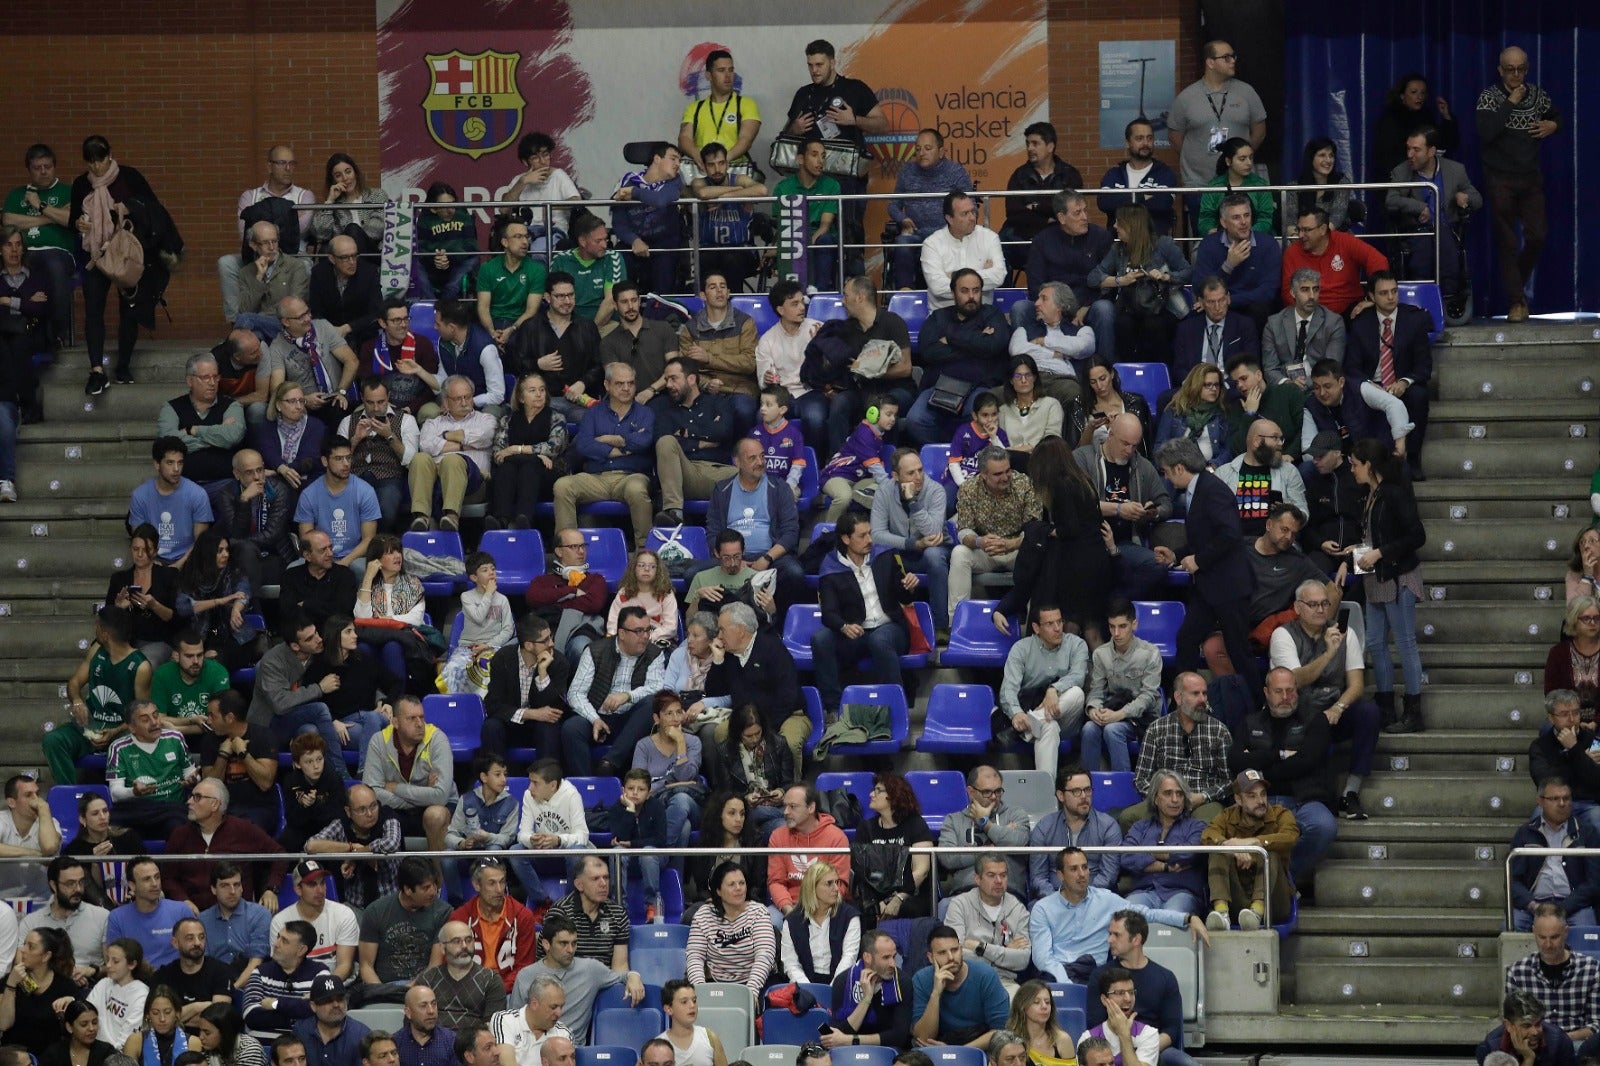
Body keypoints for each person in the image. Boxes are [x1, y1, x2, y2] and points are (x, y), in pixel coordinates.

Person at [1154, 438, 1261, 698]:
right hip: (1208, 586)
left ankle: (1260, 707)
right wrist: (1177, 555)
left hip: (1228, 586)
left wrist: (1198, 560)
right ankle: (1184, 701)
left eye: (1167, 472)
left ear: (1180, 468)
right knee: (1186, 640)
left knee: (1239, 651)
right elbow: (1204, 538)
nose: (1167, 478)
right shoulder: (1198, 489)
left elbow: (1229, 534)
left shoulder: (1213, 489)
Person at [71, 135, 179, 391]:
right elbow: (73, 219)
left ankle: (123, 365)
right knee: (94, 308)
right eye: (92, 162)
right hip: (95, 253)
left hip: (127, 251)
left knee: (129, 307)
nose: (97, 167)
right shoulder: (80, 184)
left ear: (110, 155)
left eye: (101, 159)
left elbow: (153, 209)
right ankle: (96, 368)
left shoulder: (129, 177)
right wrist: (79, 223)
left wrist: (129, 207)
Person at [1268, 579, 1380, 820]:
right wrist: (1329, 653)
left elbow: (1357, 684)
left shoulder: (1344, 633)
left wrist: (1339, 706)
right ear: (1298, 608)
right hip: (1298, 711)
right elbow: (1295, 680)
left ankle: (1350, 791)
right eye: (1313, 604)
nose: (1321, 610)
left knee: (1368, 711)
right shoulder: (1283, 635)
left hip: (1332, 710)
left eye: (1325, 604)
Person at [1228, 670, 1339, 889]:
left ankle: (1282, 881)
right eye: (1279, 691)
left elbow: (1308, 762)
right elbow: (1236, 761)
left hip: (1303, 798)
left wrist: (1259, 766)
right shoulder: (1249, 722)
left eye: (1290, 691)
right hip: (1258, 800)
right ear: (1266, 693)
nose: (1286, 697)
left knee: (1324, 826)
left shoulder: (1315, 720)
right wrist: (1278, 755)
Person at [1476, 46, 1562, 322]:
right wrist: (1510, 102)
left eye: (1521, 69)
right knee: (1507, 241)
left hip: (1530, 176)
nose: (1516, 74)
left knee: (1538, 236)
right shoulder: (1489, 97)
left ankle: (1515, 285)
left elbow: (1557, 115)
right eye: (1510, 69)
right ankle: (1516, 301)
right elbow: (1486, 133)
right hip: (1499, 177)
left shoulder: (1537, 95)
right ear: (1500, 70)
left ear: (1527, 69)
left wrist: (1553, 126)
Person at [998, 437, 1113, 639]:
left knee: (1070, 625)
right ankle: (1102, 671)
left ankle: (1068, 670)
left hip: (1077, 565)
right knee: (1091, 628)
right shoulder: (1083, 479)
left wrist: (1044, 530)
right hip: (1097, 559)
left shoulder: (1061, 485)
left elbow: (1069, 530)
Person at [1349, 439, 1427, 733]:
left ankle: (1413, 710)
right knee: (1376, 644)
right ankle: (1384, 707)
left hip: (1397, 575)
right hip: (1375, 577)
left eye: (1355, 465)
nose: (1352, 470)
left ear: (1369, 465)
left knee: (1405, 643)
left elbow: (1417, 536)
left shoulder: (1395, 493)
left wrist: (1380, 553)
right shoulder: (1368, 495)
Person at [553, 362, 655, 548]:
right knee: (563, 486)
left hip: (630, 476)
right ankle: (567, 549)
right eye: (620, 383)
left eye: (631, 383)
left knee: (636, 489)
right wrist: (624, 447)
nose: (626, 388)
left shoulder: (646, 413)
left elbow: (644, 442)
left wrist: (610, 439)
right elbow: (584, 445)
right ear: (607, 385)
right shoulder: (593, 413)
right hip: (596, 477)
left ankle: (646, 550)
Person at [559, 604, 667, 777]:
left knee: (652, 703)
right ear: (622, 633)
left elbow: (657, 687)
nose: (645, 636)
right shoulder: (596, 651)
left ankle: (609, 763)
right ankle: (585, 784)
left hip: (631, 720)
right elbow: (575, 693)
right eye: (638, 631)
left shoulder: (654, 653)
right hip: (598, 716)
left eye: (648, 630)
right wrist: (594, 719)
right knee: (572, 728)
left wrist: (627, 696)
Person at [49, 605, 150, 786]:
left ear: (104, 634)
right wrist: (78, 701)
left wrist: (115, 731)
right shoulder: (96, 651)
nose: (95, 630)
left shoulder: (140, 666)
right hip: (91, 726)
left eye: (97, 627)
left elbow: (143, 714)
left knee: (129, 743)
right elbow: (74, 683)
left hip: (121, 730)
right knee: (53, 740)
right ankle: (71, 793)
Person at [906, 269, 1011, 445]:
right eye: (964, 291)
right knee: (915, 419)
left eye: (976, 290)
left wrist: (951, 338)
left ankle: (962, 453)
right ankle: (946, 453)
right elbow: (929, 351)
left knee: (975, 416)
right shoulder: (938, 318)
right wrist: (977, 340)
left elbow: (993, 345)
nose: (971, 296)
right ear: (953, 292)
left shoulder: (992, 314)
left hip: (979, 386)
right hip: (939, 386)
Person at [1346, 272, 1434, 480]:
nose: (1391, 297)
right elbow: (1352, 367)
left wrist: (1404, 381)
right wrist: (1369, 385)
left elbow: (1424, 366)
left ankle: (1412, 459)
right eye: (1383, 293)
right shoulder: (1361, 323)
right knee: (1354, 394)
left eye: (1394, 291)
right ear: (1371, 296)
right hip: (1373, 385)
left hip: (1402, 382)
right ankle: (1367, 460)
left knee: (1419, 396)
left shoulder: (1414, 320)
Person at [507, 912, 643, 1045]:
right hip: (534, 1047)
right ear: (546, 944)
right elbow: (514, 1022)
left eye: (574, 943)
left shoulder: (590, 970)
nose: (570, 950)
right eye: (563, 943)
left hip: (572, 1051)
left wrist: (634, 976)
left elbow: (622, 976)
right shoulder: (526, 976)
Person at [705, 601, 810, 770]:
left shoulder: (772, 648)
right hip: (747, 720)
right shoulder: (730, 656)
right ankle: (740, 792)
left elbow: (787, 698)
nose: (719, 636)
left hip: (789, 716)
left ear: (740, 630)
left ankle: (791, 792)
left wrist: (762, 730)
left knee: (788, 742)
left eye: (722, 629)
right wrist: (718, 661)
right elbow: (713, 691)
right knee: (721, 733)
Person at [951, 446, 1042, 624]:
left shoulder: (1025, 484)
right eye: (998, 474)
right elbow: (964, 530)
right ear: (983, 474)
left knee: (1038, 553)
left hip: (1018, 549)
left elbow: (1035, 529)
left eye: (1007, 471)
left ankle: (1036, 624)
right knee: (959, 553)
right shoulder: (968, 489)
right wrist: (979, 541)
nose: (1005, 477)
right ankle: (957, 623)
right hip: (986, 549)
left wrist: (1013, 544)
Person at [1167, 40, 1266, 203]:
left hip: (1238, 183)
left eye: (1233, 56)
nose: (1233, 61)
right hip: (1199, 183)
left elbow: (1259, 132)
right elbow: (1175, 138)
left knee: (1239, 226)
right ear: (1210, 62)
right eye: (1226, 57)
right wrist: (1196, 158)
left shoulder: (1247, 93)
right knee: (1205, 228)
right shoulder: (1186, 97)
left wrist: (1240, 156)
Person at [1087, 205, 1189, 362]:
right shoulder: (1118, 249)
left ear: (1132, 226)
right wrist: (1121, 280)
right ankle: (1126, 373)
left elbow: (1187, 272)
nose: (1114, 227)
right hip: (1130, 306)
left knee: (1153, 325)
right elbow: (1093, 277)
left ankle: (1162, 372)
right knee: (1123, 324)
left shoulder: (1164, 245)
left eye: (1119, 223)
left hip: (1161, 306)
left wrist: (1165, 276)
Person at [1130, 674, 1233, 829]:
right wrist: (1161, 797)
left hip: (1202, 801)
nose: (1202, 700)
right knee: (1128, 818)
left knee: (1208, 824)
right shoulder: (1156, 729)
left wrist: (1204, 796)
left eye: (1204, 694)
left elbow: (1229, 781)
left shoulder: (1219, 731)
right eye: (1195, 694)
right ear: (1178, 697)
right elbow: (1141, 779)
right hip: (1163, 800)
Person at [998, 605, 1088, 781]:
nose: (1057, 628)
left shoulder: (1076, 644)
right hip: (1034, 716)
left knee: (1077, 693)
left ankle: (1026, 726)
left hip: (1067, 716)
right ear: (1036, 628)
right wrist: (1016, 713)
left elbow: (1078, 676)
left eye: (1059, 622)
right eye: (1049, 624)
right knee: (1049, 727)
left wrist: (1054, 689)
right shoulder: (1021, 648)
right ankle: (1046, 797)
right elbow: (1008, 688)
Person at [4, 144, 77, 351]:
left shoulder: (68, 191)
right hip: (21, 253)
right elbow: (8, 221)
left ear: (55, 167)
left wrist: (39, 205)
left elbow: (71, 219)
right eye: (37, 167)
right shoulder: (17, 194)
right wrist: (52, 217)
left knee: (52, 265)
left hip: (59, 253)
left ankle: (56, 334)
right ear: (29, 169)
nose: (43, 171)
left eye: (48, 166)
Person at [867, 447, 947, 635]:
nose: (918, 476)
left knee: (934, 556)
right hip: (899, 553)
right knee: (879, 554)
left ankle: (941, 626)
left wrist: (913, 502)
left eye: (920, 470)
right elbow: (877, 534)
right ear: (895, 476)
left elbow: (933, 532)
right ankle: (887, 622)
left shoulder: (936, 491)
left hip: (931, 551)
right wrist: (912, 543)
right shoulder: (884, 492)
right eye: (911, 473)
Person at [651, 357, 739, 529]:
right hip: (684, 472)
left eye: (673, 378)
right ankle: (674, 514)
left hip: (717, 471)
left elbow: (723, 432)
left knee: (750, 475)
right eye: (666, 379)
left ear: (691, 379)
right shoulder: (663, 408)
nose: (668, 385)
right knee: (667, 442)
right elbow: (660, 441)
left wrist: (686, 434)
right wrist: (701, 443)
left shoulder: (717, 402)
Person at [362, 697, 456, 855]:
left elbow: (440, 796)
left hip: (439, 807)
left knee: (435, 814)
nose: (420, 724)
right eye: (412, 718)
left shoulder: (437, 739)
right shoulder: (379, 741)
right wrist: (424, 794)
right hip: (397, 809)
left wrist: (396, 788)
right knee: (369, 811)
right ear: (396, 722)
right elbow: (372, 792)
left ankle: (439, 879)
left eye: (422, 717)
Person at [1082, 600, 1165, 775]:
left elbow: (1148, 696)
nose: (1116, 633)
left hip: (1143, 716)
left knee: (1113, 730)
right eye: (1112, 627)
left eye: (1122, 626)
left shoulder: (1150, 653)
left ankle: (1125, 787)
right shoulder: (1100, 654)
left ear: (1134, 624)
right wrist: (1093, 709)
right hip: (1112, 708)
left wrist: (1120, 714)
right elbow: (1096, 690)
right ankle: (1087, 785)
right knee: (1089, 728)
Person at [307, 616, 400, 772]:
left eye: (354, 631)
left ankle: (364, 772)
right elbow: (311, 703)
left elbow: (395, 682)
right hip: (344, 724)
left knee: (374, 718)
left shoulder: (364, 659)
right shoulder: (319, 666)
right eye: (348, 632)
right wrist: (332, 721)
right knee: (374, 734)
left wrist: (388, 702)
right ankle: (368, 774)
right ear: (335, 635)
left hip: (371, 717)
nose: (355, 636)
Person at [1510, 776, 1600, 933]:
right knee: (1510, 927)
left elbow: (1593, 882)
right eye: (1555, 799)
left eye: (1566, 798)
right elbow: (1513, 882)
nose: (1562, 804)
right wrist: (1533, 905)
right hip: (1533, 907)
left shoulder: (1586, 833)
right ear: (1540, 801)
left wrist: (1563, 908)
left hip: (1574, 906)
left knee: (1588, 932)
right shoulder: (1525, 833)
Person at [480, 615, 570, 771]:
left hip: (540, 727)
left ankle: (547, 784)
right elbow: (493, 705)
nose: (552, 643)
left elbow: (556, 709)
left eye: (551, 637)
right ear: (528, 645)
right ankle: (497, 781)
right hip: (511, 722)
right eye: (546, 640)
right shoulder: (502, 659)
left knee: (549, 728)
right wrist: (532, 714)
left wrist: (543, 673)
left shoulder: (559, 662)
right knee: (490, 727)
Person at [408, 376, 496, 534]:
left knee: (453, 460)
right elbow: (426, 446)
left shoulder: (486, 420)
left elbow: (485, 436)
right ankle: (422, 517)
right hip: (437, 484)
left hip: (474, 485)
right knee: (419, 458)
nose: (464, 403)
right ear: (446, 402)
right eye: (457, 399)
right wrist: (465, 444)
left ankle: (452, 516)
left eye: (467, 397)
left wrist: (445, 436)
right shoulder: (432, 423)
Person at [630, 694, 705, 880]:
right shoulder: (643, 746)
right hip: (655, 808)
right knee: (684, 827)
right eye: (668, 713)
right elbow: (638, 788)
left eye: (679, 712)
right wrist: (670, 783)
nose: (675, 718)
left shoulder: (693, 742)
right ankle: (675, 884)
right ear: (656, 718)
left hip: (689, 805)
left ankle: (660, 854)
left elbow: (686, 776)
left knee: (681, 799)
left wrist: (680, 742)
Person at [887, 131, 974, 290]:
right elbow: (893, 204)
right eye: (918, 149)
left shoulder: (955, 172)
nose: (922, 153)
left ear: (941, 152)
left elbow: (971, 206)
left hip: (948, 235)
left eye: (927, 148)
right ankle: (905, 294)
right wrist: (902, 219)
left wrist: (955, 227)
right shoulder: (907, 171)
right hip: (916, 234)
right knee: (902, 242)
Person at [1505, 904, 1600, 1048]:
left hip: (1576, 1043)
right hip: (1534, 1042)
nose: (1548, 944)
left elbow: (1596, 1024)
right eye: (1542, 937)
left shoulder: (1592, 970)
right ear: (1533, 932)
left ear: (1566, 932)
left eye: (1554, 937)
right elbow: (1513, 1022)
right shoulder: (1517, 972)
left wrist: (1560, 1039)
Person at [356, 858, 451, 1000]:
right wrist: (384, 994)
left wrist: (410, 991)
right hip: (383, 987)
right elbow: (366, 966)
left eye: (434, 885)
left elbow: (434, 966)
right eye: (425, 888)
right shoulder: (376, 911)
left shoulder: (443, 912)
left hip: (426, 988)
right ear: (407, 890)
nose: (433, 892)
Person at [1189, 195, 1282, 337]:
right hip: (1217, 303)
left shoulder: (1268, 244)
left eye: (1247, 215)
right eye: (1236, 218)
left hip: (1253, 304)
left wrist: (1229, 300)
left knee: (1260, 309)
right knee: (1196, 314)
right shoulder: (1209, 244)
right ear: (1224, 222)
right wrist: (1228, 266)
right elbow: (1199, 287)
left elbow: (1268, 291)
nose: (1244, 222)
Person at [487, 372, 568, 531]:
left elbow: (554, 448)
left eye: (542, 390)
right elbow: (498, 454)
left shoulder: (557, 418)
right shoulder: (508, 420)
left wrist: (516, 449)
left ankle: (524, 519)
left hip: (548, 474)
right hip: (513, 475)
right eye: (532, 390)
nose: (539, 394)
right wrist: (536, 455)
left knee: (530, 467)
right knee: (508, 467)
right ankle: (501, 520)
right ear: (521, 397)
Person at [262, 297, 359, 431]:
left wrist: (341, 391)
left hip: (337, 397)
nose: (308, 318)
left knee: (337, 411)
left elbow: (351, 361)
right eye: (301, 317)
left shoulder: (323, 327)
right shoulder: (277, 347)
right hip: (304, 406)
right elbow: (277, 389)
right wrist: (304, 400)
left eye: (307, 312)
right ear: (286, 321)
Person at [337, 376, 420, 530]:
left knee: (386, 512)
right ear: (362, 398)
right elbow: (335, 462)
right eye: (370, 402)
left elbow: (411, 461)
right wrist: (355, 440)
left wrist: (390, 436)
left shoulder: (406, 420)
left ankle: (376, 545)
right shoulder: (348, 421)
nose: (376, 408)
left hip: (389, 477)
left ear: (388, 397)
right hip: (355, 478)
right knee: (344, 512)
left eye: (381, 402)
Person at [305, 784, 405, 912]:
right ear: (348, 811)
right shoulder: (341, 824)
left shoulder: (387, 816)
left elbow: (391, 844)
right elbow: (311, 846)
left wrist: (357, 854)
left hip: (391, 904)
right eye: (362, 809)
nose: (370, 813)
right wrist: (351, 847)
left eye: (373, 806)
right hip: (355, 907)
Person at [508, 760, 591, 913]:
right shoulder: (529, 795)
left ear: (552, 785)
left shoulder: (571, 795)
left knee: (577, 851)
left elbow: (583, 835)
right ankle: (542, 903)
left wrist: (558, 840)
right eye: (530, 782)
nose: (529, 788)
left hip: (566, 856)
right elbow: (522, 834)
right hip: (542, 854)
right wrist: (531, 839)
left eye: (535, 783)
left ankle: (570, 905)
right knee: (515, 851)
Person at [1118, 774, 1206, 919]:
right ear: (1155, 799)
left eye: (1180, 794)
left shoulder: (1196, 826)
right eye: (1168, 793)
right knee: (1128, 918)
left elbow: (1188, 853)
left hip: (1181, 892)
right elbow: (1127, 857)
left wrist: (1149, 852)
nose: (1175, 800)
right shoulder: (1140, 828)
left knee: (1171, 918)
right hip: (1143, 892)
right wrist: (1165, 867)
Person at [106, 700, 198, 839]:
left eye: (156, 715)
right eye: (145, 719)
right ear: (132, 727)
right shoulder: (119, 748)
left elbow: (191, 774)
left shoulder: (175, 738)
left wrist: (194, 779)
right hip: (138, 811)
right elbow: (115, 793)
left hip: (171, 809)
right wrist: (134, 792)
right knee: (121, 834)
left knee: (178, 829)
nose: (154, 722)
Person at [1002, 121, 1084, 274]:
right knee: (1001, 244)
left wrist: (1035, 206)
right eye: (1028, 144)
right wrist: (1047, 218)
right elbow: (1013, 212)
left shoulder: (1069, 175)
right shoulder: (1019, 175)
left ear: (1050, 147)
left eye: (1035, 143)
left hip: (1059, 233)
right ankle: (1004, 296)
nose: (1029, 148)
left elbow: (1070, 209)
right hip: (1024, 235)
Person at [1027, 767, 1122, 898]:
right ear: (1061, 795)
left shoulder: (1108, 826)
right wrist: (1058, 901)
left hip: (1097, 901)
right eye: (1076, 791)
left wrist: (1083, 900)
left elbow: (1108, 876)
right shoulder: (1044, 827)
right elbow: (1038, 878)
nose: (1084, 796)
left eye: (1087, 790)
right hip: (1053, 900)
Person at [910, 925, 1010, 1049]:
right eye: (942, 953)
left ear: (961, 950)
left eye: (954, 950)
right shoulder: (921, 979)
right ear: (931, 958)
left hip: (978, 1046)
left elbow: (1000, 1031)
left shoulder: (986, 975)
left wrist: (957, 1052)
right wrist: (936, 993)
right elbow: (923, 1038)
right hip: (937, 1047)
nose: (951, 957)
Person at [1279, 207, 1389, 318]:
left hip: (1349, 309)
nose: (1301, 235)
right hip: (1309, 312)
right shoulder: (1292, 252)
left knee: (1368, 317)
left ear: (1322, 229)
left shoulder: (1345, 241)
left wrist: (1372, 299)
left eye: (1306, 230)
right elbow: (1288, 293)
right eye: (1299, 230)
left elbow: (1378, 261)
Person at [686, 861, 776, 996]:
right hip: (716, 985)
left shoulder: (758, 912)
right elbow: (695, 957)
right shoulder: (703, 915)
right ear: (718, 890)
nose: (738, 888)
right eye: (731, 884)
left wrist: (751, 992)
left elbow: (765, 956)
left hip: (755, 984)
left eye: (742, 883)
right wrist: (700, 991)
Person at [944, 854, 1031, 991]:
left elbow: (1022, 960)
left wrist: (981, 947)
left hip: (1004, 982)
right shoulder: (960, 904)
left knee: (1024, 1007)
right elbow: (954, 954)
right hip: (966, 980)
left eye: (1003, 875)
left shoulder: (1018, 909)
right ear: (977, 879)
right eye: (991, 875)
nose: (998, 881)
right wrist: (1005, 953)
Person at [294, 437, 381, 572]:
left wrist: (344, 562)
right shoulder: (309, 495)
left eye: (349, 458)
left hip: (354, 557)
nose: (346, 464)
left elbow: (369, 539)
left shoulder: (365, 491)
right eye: (339, 459)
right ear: (325, 461)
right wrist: (327, 561)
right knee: (293, 568)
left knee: (362, 569)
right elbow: (308, 541)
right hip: (320, 556)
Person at [940, 766, 1031, 895]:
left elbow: (1019, 841)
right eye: (987, 792)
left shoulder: (1016, 814)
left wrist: (985, 823)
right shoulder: (953, 820)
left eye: (998, 791)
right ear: (971, 792)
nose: (994, 797)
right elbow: (947, 858)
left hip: (1008, 892)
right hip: (965, 892)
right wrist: (991, 849)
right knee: (944, 907)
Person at [159, 353, 247, 484]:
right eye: (205, 377)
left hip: (225, 483)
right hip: (183, 484)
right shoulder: (171, 407)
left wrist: (193, 430)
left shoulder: (231, 405)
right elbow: (167, 444)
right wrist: (216, 438)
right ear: (190, 381)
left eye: (215, 377)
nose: (212, 383)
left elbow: (232, 437)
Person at [612, 143, 685, 298]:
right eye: (673, 158)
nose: (678, 164)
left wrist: (634, 192)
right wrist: (634, 240)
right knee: (619, 257)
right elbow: (618, 222)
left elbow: (660, 200)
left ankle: (660, 315)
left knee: (666, 270)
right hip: (633, 244)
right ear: (657, 159)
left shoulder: (675, 181)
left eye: (679, 160)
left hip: (664, 247)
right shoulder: (628, 179)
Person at [1214, 419, 1307, 538]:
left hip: (1276, 547)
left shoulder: (1289, 472)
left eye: (1281, 439)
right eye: (1275, 438)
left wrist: (1290, 512)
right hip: (1234, 545)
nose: (1280, 443)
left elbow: (1304, 513)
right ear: (1257, 441)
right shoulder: (1223, 474)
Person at [130, 437, 215, 567]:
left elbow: (200, 543)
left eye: (180, 463)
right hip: (153, 560)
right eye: (170, 463)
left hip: (188, 560)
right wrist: (154, 564)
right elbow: (139, 541)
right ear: (157, 464)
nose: (176, 469)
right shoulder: (140, 495)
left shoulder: (197, 494)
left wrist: (177, 566)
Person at [21, 856, 109, 979]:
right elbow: (20, 968)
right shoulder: (31, 922)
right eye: (70, 884)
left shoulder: (102, 916)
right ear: (53, 885)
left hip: (91, 988)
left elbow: (114, 967)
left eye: (81, 882)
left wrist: (92, 971)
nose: (78, 889)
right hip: (44, 991)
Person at [768, 786, 851, 917]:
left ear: (811, 808)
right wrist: (789, 911)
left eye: (793, 807)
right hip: (789, 906)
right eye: (785, 806)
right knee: (770, 921)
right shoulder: (778, 836)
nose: (785, 812)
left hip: (825, 906)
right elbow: (776, 881)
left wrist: (815, 912)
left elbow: (839, 885)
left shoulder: (837, 838)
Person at [769, 136, 841, 287]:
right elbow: (781, 227)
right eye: (814, 155)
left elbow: (824, 226)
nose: (820, 161)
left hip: (817, 237)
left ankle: (819, 296)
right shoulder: (783, 188)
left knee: (826, 240)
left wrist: (804, 246)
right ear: (800, 159)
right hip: (792, 236)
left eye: (823, 156)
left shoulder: (832, 185)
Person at [269, 862, 358, 982]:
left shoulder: (344, 915)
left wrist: (322, 990)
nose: (320, 890)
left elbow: (344, 966)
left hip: (335, 987)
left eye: (322, 883)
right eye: (312, 884)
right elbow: (282, 967)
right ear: (298, 889)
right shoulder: (280, 922)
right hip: (296, 986)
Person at [821, 930, 909, 1050]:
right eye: (886, 957)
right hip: (849, 1051)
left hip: (888, 1052)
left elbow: (899, 1036)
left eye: (894, 956)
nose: (893, 964)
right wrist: (866, 999)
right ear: (867, 957)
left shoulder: (902, 982)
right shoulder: (844, 981)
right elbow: (838, 1033)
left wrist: (852, 1040)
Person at [441, 553, 515, 696]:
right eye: (485, 570)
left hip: (493, 647)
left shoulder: (503, 600)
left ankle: (486, 706)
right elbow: (478, 617)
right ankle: (458, 705)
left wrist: (489, 645)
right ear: (474, 578)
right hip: (468, 648)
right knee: (453, 669)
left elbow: (508, 629)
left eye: (493, 569)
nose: (491, 573)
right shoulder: (466, 597)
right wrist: (488, 594)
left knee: (489, 669)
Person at [543, 855, 632, 973]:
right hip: (569, 983)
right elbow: (551, 965)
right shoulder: (560, 912)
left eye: (606, 877)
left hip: (606, 982)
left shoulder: (618, 913)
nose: (603, 884)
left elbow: (620, 967)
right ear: (579, 884)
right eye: (595, 879)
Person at [412, 921, 506, 1031]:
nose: (464, 946)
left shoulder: (490, 979)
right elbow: (414, 1022)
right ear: (442, 948)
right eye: (456, 941)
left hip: (472, 1044)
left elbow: (493, 1026)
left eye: (468, 940)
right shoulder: (427, 980)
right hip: (434, 1043)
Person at [242, 920, 326, 1040]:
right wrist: (298, 1013)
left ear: (301, 950)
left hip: (302, 1051)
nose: (276, 944)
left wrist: (275, 1004)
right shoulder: (260, 972)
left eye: (284, 941)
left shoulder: (319, 973)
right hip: (262, 1048)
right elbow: (251, 1016)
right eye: (278, 937)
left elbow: (321, 1013)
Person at [923, 191, 1007, 312]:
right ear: (949, 219)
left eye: (973, 211)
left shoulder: (989, 237)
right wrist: (982, 273)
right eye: (965, 214)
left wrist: (953, 275)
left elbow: (999, 276)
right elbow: (937, 287)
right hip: (944, 315)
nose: (972, 218)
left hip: (981, 314)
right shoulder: (932, 244)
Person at [780, 862, 861, 985]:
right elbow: (791, 964)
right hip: (805, 985)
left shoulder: (849, 916)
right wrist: (809, 990)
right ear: (812, 887)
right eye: (829, 883)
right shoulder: (792, 921)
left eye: (836, 882)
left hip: (840, 983)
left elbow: (849, 958)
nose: (836, 888)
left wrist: (833, 988)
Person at [1263, 270, 1345, 391]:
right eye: (1305, 290)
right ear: (1293, 292)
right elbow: (1270, 368)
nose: (1312, 296)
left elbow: (1331, 368)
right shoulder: (1274, 324)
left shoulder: (1333, 323)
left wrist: (1304, 384)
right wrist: (1288, 384)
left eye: (1315, 289)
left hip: (1319, 389)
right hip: (1284, 390)